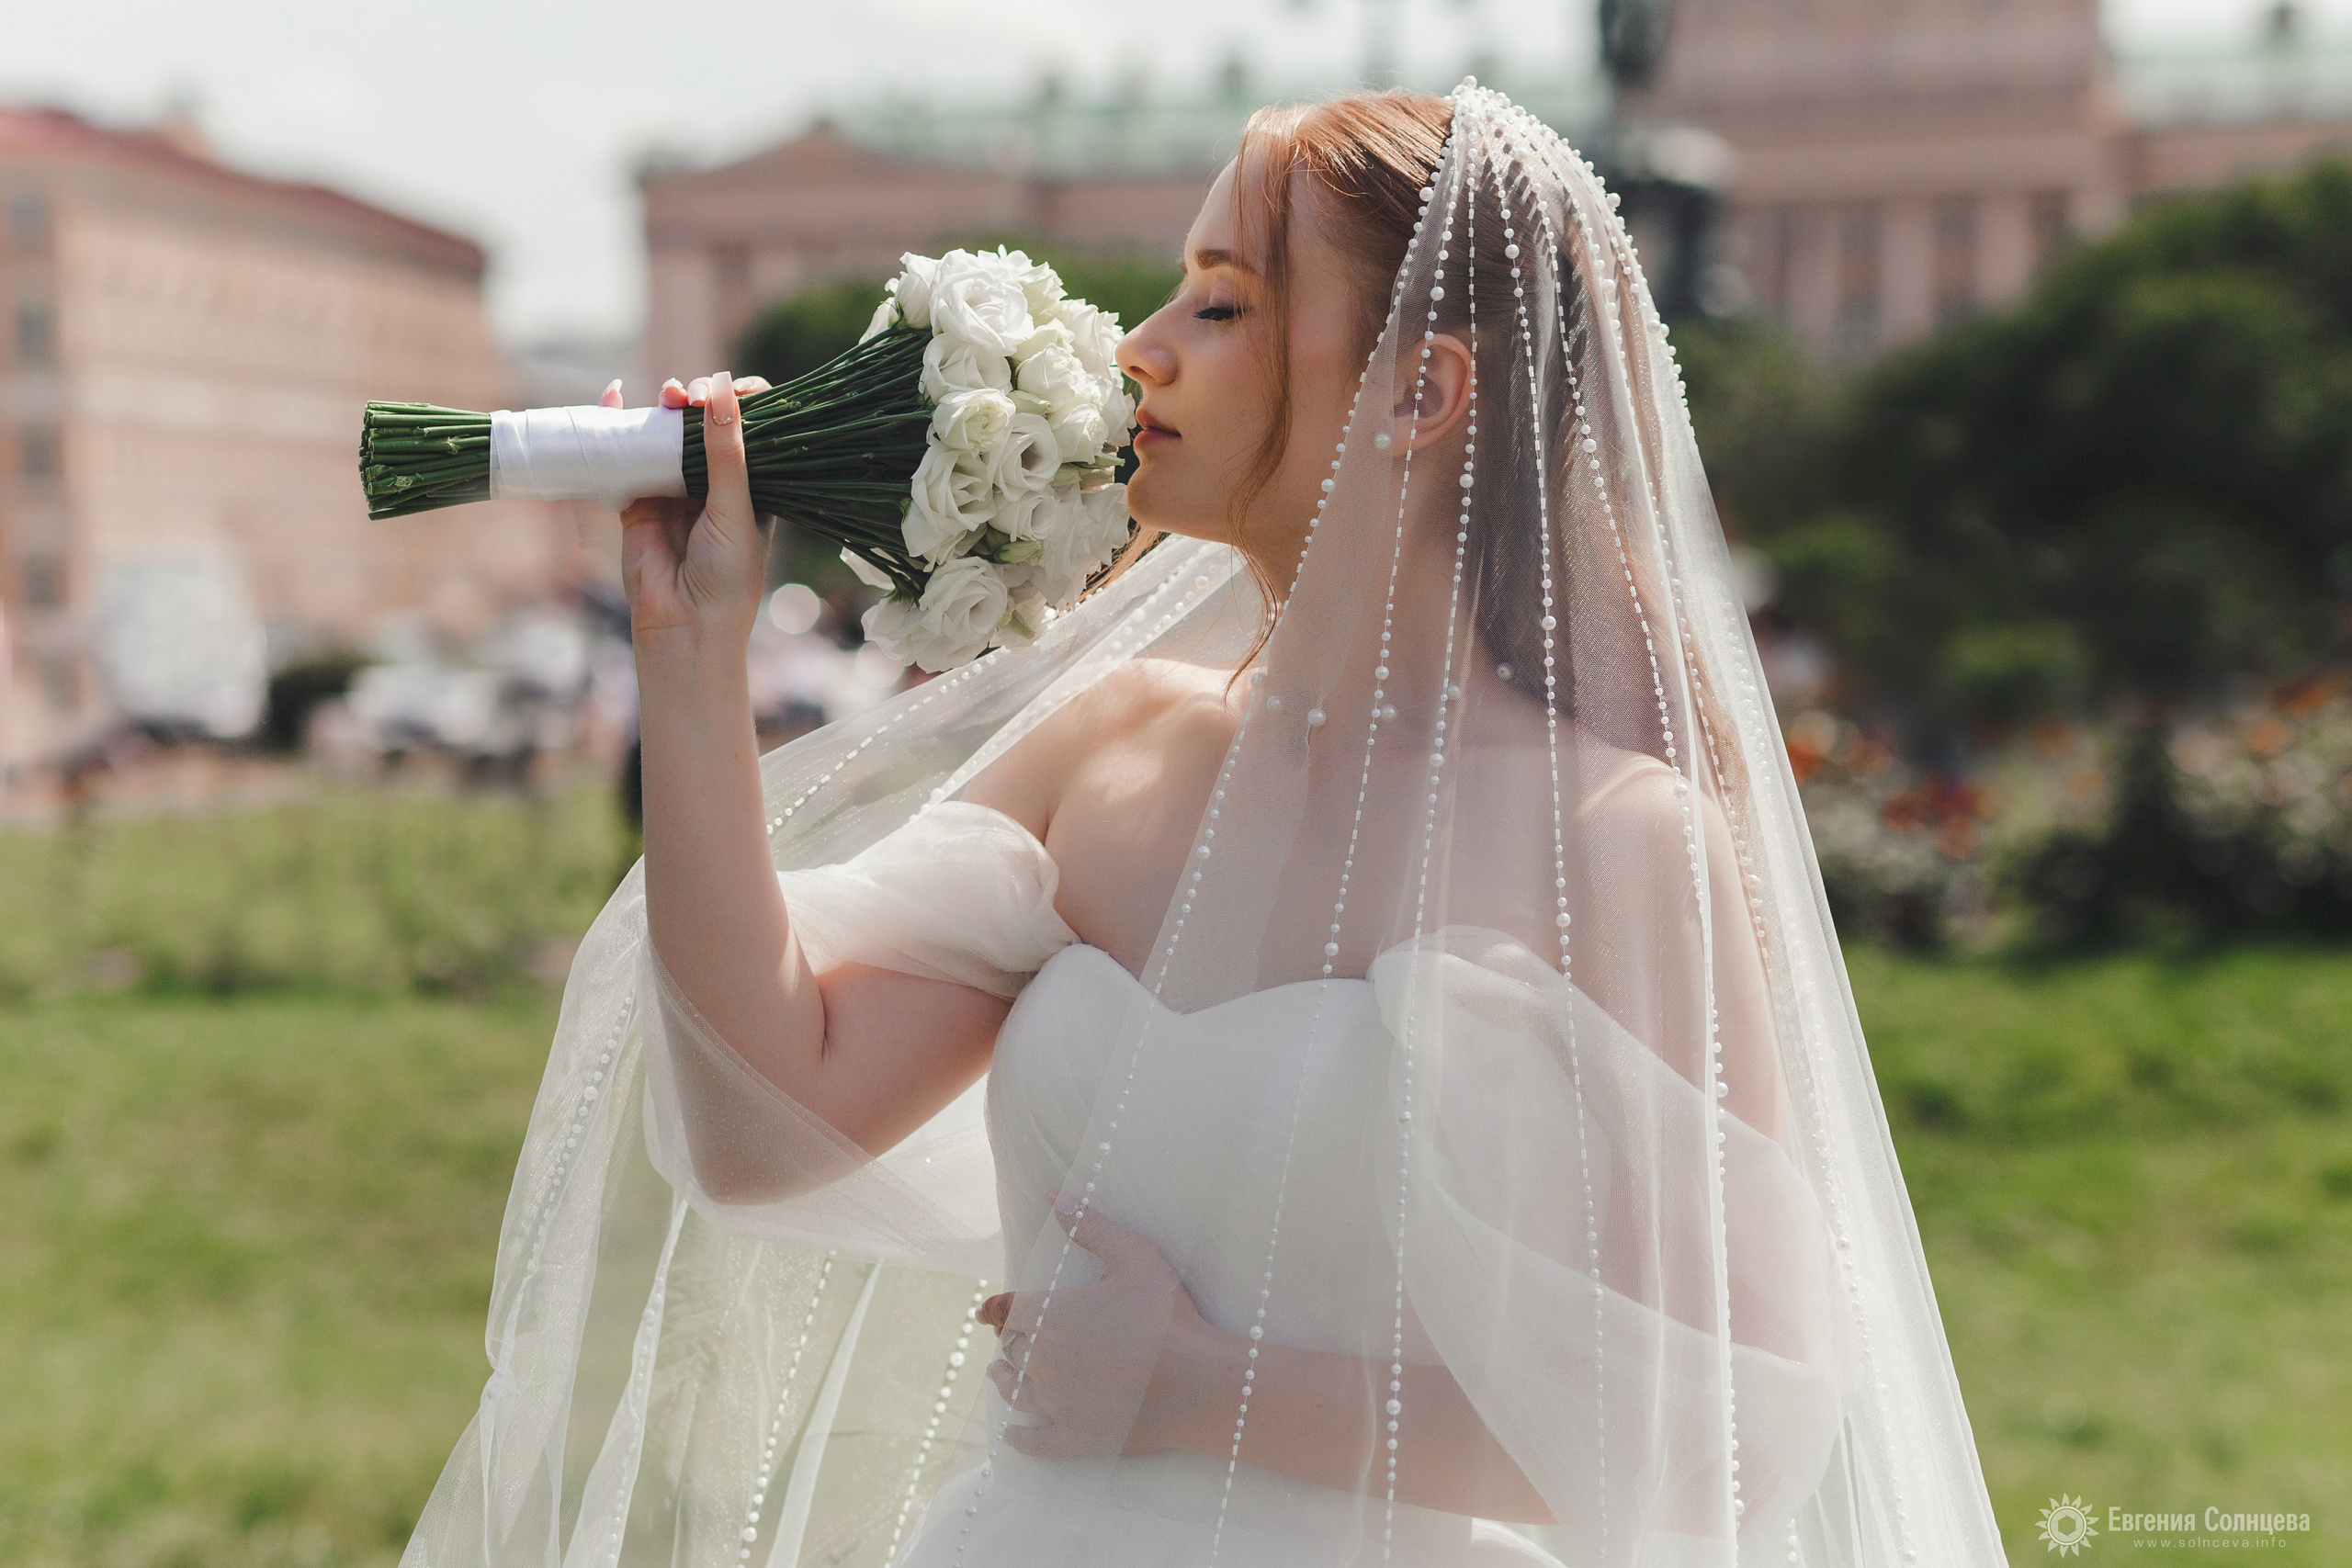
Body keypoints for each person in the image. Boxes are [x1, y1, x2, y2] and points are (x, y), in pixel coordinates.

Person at [400, 85, 2006, 1567]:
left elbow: (1726, 1438)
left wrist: (1199, 1393)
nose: (1137, 352)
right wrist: (691, 656)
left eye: (1222, 304)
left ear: (1425, 389)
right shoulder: (1104, 751)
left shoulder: (1616, 841)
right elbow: (765, 1129)